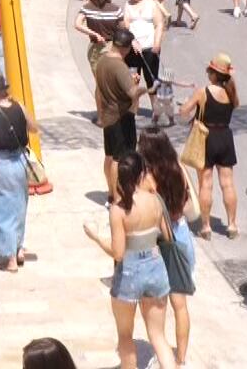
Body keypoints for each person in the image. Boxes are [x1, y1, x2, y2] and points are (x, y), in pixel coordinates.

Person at [82, 151, 179, 369]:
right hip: (155, 268)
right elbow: (167, 235)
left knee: (125, 336)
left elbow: (118, 252)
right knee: (159, 337)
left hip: (129, 273)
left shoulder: (119, 209)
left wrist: (96, 237)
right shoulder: (154, 199)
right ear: (141, 173)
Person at [137, 131, 197, 367]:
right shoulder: (178, 169)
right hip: (181, 234)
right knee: (180, 304)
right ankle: (180, 359)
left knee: (155, 306)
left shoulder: (147, 177)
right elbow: (187, 202)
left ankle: (160, 353)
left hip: (159, 240)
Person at [177, 52, 240, 239]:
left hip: (206, 137)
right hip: (225, 136)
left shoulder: (203, 92)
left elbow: (184, 111)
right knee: (228, 183)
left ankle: (206, 226)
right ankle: (232, 224)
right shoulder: (231, 92)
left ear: (213, 73)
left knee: (205, 183)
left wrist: (186, 109)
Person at [0, 75, 31, 271]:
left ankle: (8, 258)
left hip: (1, 163)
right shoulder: (20, 107)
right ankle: (19, 248)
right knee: (19, 205)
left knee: (2, 209)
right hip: (20, 161)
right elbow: (34, 127)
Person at [94, 30, 145, 199]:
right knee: (119, 158)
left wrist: (100, 114)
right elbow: (132, 93)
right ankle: (118, 196)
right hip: (121, 117)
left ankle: (111, 192)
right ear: (125, 47)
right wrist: (143, 87)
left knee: (109, 156)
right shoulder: (119, 66)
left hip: (108, 115)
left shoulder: (102, 61)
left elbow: (99, 91)